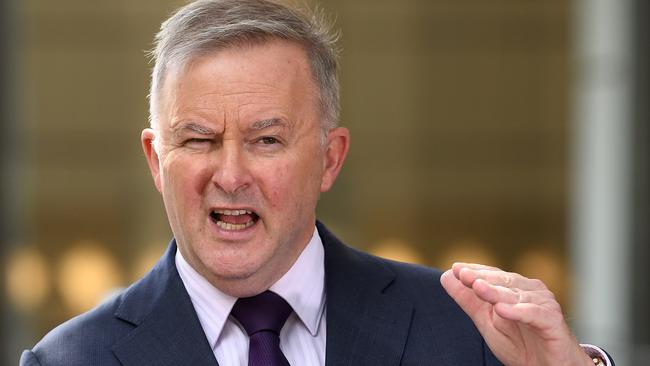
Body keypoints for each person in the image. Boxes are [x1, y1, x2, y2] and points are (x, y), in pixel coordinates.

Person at [20, 1, 613, 365]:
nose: (229, 175)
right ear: (156, 160)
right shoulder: (71, 360)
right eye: (199, 139)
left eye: (266, 140)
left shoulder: (465, 332)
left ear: (331, 159)